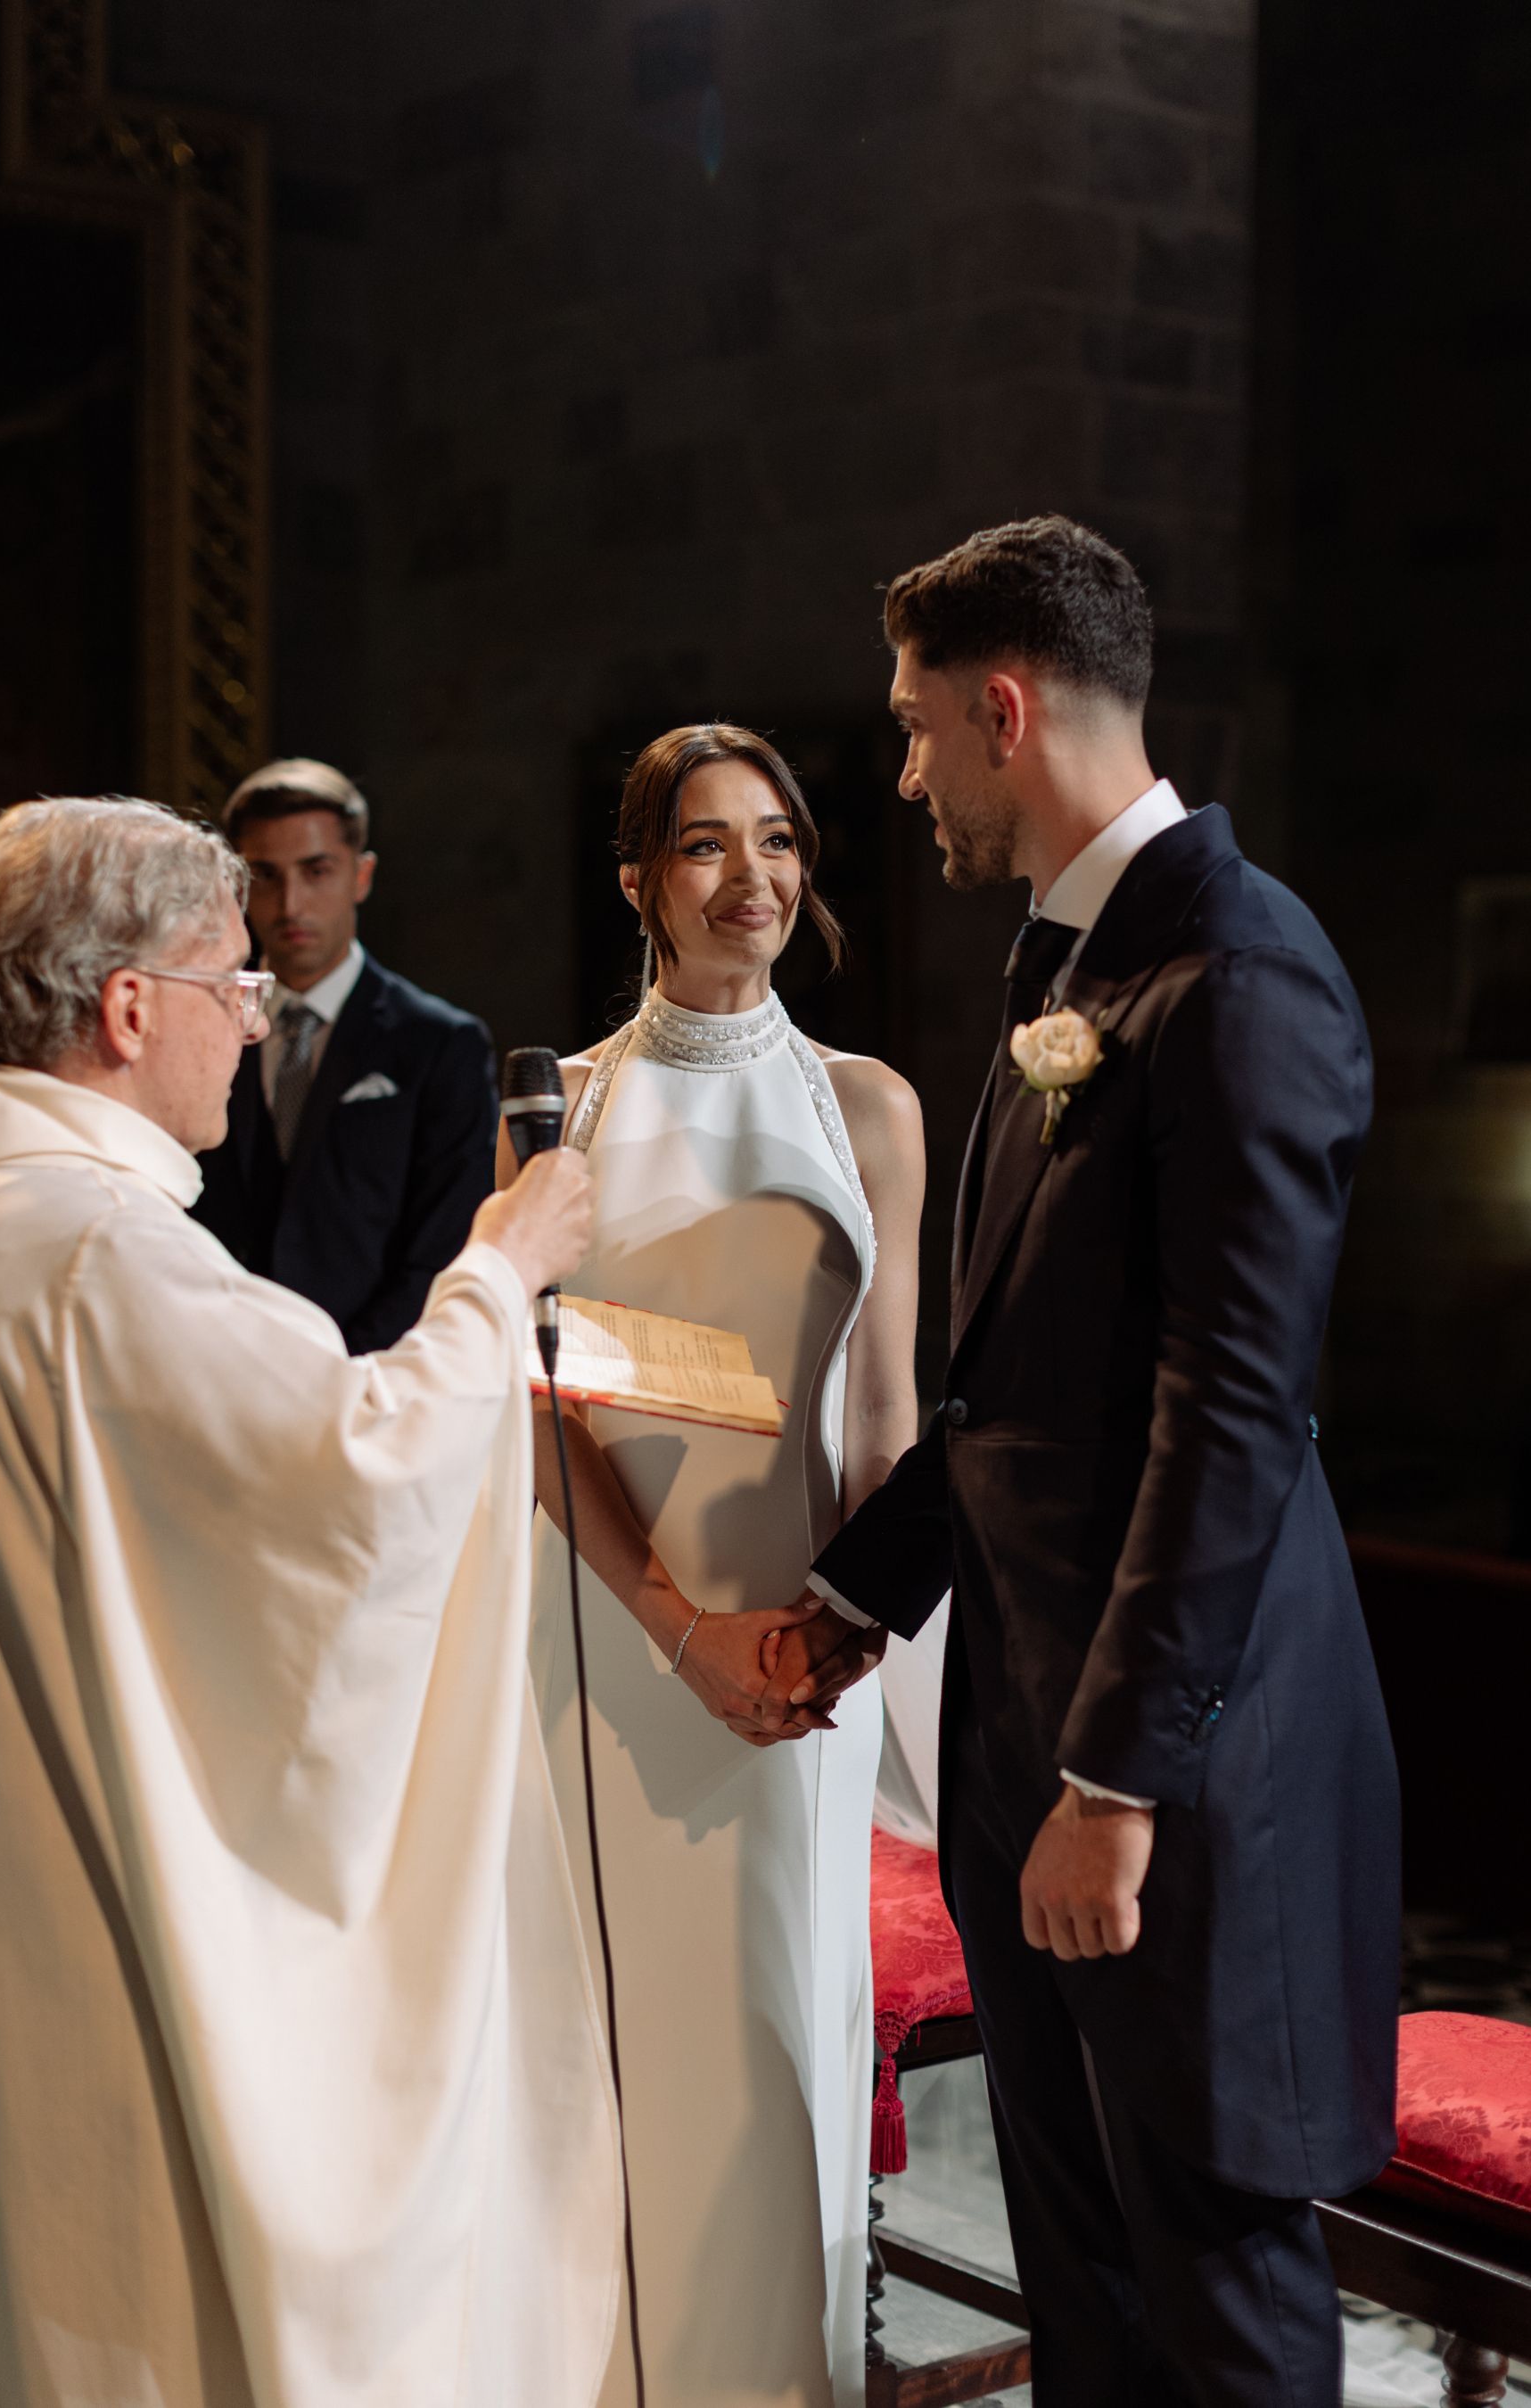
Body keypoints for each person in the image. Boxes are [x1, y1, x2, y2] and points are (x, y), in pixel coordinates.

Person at [763, 517, 1401, 2407]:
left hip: (1183, 1778)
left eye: (912, 730)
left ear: (1004, 710)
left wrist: (1116, 1782)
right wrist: (850, 1601)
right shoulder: (1085, 966)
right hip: (1027, 1742)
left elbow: (1230, 1413)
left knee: (1213, 2300)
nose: (904, 778)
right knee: (1089, 2298)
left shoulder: (1241, 975)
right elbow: (1011, 1396)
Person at [0, 796, 619, 2408]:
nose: (253, 1021)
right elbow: (354, 1476)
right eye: (232, 982)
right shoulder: (94, 1255)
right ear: (126, 1008)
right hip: (100, 1903)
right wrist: (499, 1271)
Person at [503, 725, 924, 2408]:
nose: (751, 875)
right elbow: (537, 1408)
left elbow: (883, 1409)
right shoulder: (563, 1110)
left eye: (779, 840)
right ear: (638, 882)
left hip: (803, 1644)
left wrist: (847, 1624)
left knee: (772, 2043)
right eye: (704, 843)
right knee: (617, 2049)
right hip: (611, 1634)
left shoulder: (869, 1106)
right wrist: (675, 1629)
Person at [193, 756, 497, 1351]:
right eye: (265, 874)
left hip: (370, 1371)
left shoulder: (440, 1043)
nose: (290, 904)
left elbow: (444, 1246)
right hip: (215, 1360)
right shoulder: (198, 1023)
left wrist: (344, 1373)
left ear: (361, 876)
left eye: (317, 871)